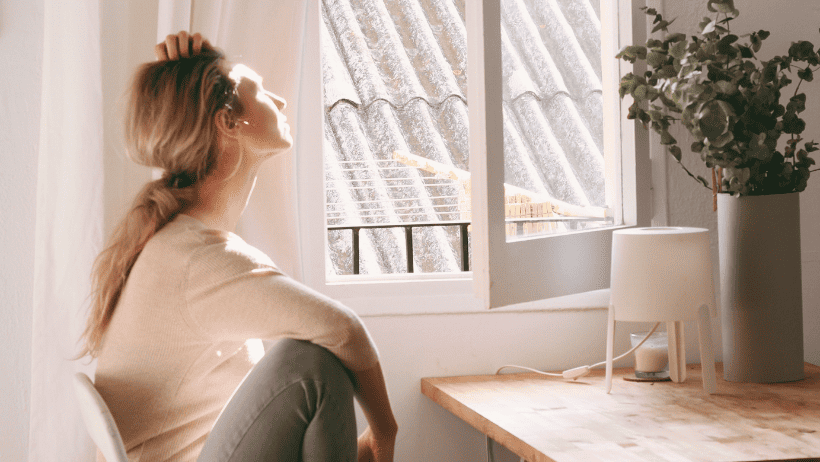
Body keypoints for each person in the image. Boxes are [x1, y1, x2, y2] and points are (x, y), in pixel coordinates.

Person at [79, 32, 397, 462]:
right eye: (261, 91)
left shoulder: (181, 243)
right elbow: (343, 329)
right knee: (311, 364)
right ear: (228, 122)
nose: (280, 101)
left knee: (310, 357)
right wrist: (385, 434)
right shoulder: (195, 258)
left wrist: (197, 75)